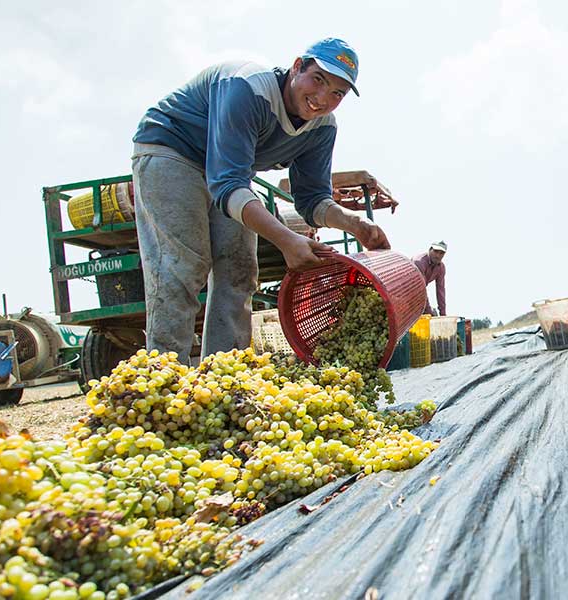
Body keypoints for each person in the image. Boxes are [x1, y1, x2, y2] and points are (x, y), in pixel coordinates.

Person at [131, 38, 390, 363]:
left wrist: (355, 223)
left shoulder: (322, 128)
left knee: (240, 268)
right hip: (173, 150)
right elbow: (228, 186)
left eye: (337, 93)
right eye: (318, 80)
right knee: (184, 265)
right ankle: (164, 379)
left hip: (228, 173)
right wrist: (286, 240)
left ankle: (225, 377)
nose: (322, 98)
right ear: (297, 67)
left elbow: (312, 200)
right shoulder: (248, 89)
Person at [412, 241, 447, 316]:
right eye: (436, 251)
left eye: (441, 253)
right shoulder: (419, 262)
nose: (438, 255)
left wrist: (443, 315)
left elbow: (440, 291)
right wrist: (429, 313)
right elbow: (421, 290)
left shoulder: (441, 268)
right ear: (430, 249)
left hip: (419, 294)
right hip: (406, 292)